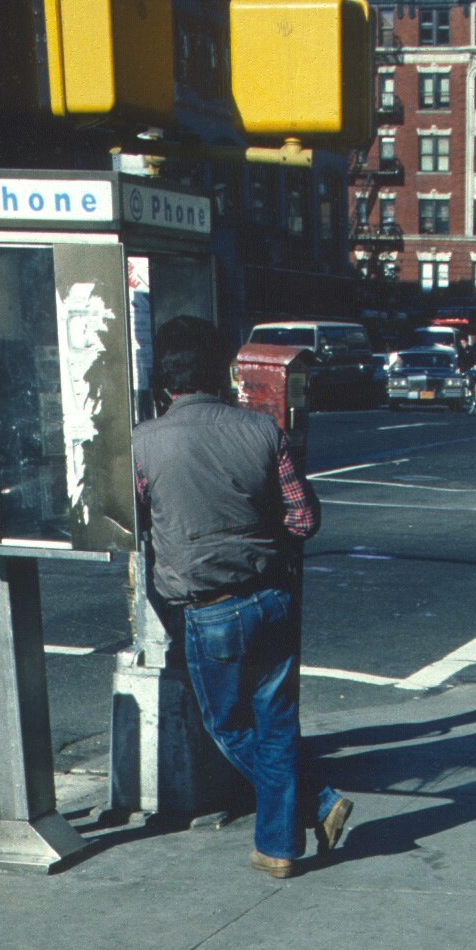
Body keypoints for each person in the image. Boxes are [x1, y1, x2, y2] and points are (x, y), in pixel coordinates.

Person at [132, 314, 352, 873]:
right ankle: (277, 847)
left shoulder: (142, 445)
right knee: (276, 723)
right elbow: (303, 520)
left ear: (166, 383)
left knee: (229, 727)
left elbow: (133, 521)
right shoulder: (262, 431)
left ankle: (318, 802)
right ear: (221, 373)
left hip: (210, 611)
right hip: (273, 597)